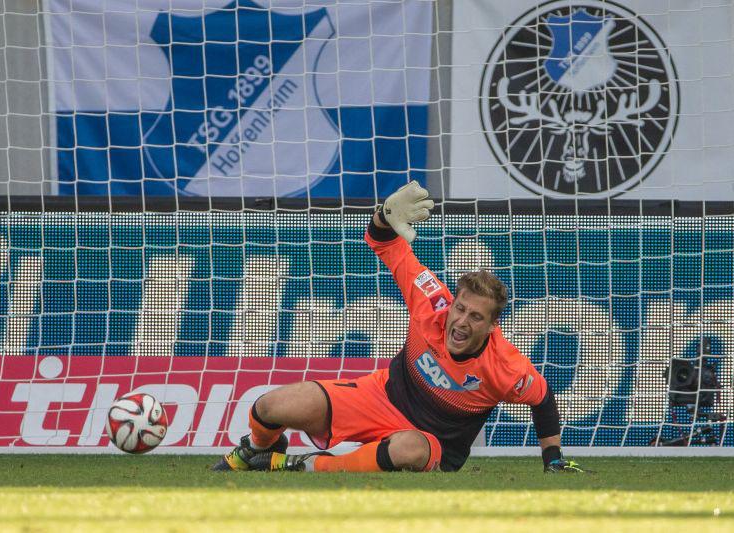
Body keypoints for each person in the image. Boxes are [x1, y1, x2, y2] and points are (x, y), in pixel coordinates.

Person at [212, 181, 585, 473]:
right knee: (269, 405)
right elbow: (380, 239)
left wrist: (551, 457)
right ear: (452, 302)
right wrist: (383, 213)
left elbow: (542, 398)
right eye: (460, 308)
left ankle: (300, 465)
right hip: (380, 396)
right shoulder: (431, 299)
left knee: (408, 449)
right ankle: (257, 449)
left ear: (491, 326)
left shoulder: (506, 365)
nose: (461, 321)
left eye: (475, 317)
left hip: (429, 441)